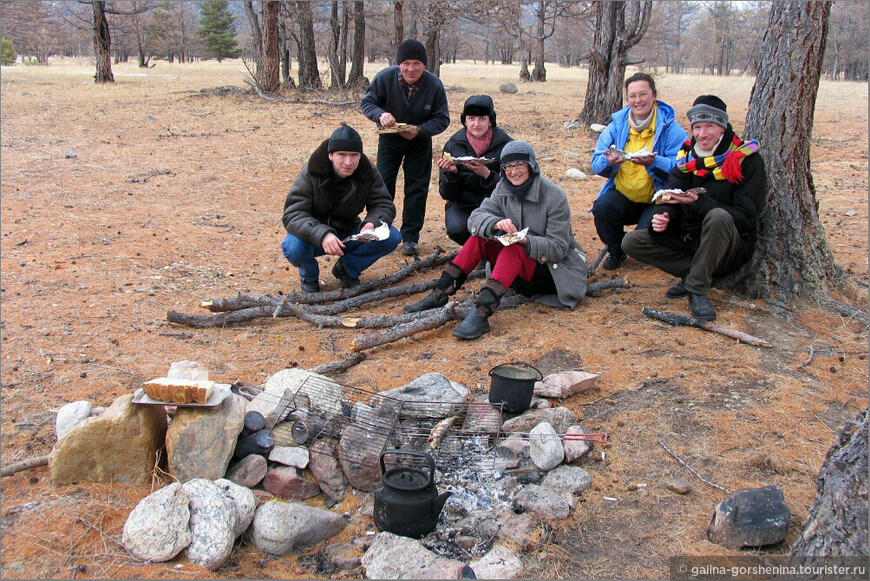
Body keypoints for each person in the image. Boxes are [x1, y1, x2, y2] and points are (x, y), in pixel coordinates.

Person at [404, 141, 588, 340]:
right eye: (508, 166)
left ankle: (481, 314)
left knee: (513, 248)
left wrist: (525, 241)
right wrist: (496, 223)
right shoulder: (503, 188)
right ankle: (440, 293)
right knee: (479, 239)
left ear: (532, 166)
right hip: (514, 272)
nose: (513, 172)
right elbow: (476, 218)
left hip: (552, 272)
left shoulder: (554, 196)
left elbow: (559, 248)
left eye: (519, 165)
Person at [622, 95, 767, 322]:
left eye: (710, 126)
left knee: (718, 216)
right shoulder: (686, 157)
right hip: (689, 239)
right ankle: (696, 273)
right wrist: (663, 219)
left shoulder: (745, 160)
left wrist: (698, 204)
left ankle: (697, 290)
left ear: (723, 127)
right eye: (697, 127)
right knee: (631, 242)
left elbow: (746, 217)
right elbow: (669, 198)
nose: (702, 134)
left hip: (728, 245)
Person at [281, 124, 402, 293]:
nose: (348, 162)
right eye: (342, 155)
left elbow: (383, 204)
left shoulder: (367, 171)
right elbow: (293, 214)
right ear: (330, 155)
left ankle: (346, 269)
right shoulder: (312, 171)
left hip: (347, 232)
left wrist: (371, 223)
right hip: (313, 235)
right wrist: (322, 234)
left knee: (392, 236)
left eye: (354, 155)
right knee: (293, 246)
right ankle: (309, 277)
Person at [360, 39, 450, 257]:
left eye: (417, 63)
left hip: (419, 141)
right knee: (383, 185)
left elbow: (442, 118)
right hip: (389, 140)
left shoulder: (434, 85)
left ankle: (410, 237)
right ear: (399, 63)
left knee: (417, 189)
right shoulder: (384, 78)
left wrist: (419, 130)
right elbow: (367, 103)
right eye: (406, 63)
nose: (411, 68)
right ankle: (380, 230)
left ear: (424, 65)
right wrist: (380, 115)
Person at [590, 72, 688, 270]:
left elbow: (682, 170)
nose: (638, 100)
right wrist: (610, 162)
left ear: (654, 95)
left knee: (641, 243)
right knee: (602, 208)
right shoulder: (616, 125)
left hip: (656, 199)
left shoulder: (672, 129)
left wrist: (653, 162)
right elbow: (596, 164)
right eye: (632, 96)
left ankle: (661, 240)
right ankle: (616, 252)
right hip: (624, 195)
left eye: (643, 94)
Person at [437, 95, 513, 245]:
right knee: (457, 228)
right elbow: (447, 194)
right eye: (471, 118)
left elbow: (513, 188)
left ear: (491, 121)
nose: (476, 124)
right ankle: (479, 253)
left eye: (482, 119)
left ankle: (493, 252)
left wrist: (488, 175)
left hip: (496, 203)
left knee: (504, 227)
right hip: (464, 203)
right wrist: (452, 175)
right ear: (464, 121)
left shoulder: (507, 145)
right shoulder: (453, 145)